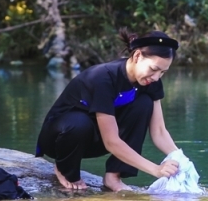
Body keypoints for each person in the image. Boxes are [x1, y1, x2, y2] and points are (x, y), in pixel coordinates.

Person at [35, 29, 183, 192]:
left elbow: (160, 131)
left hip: (95, 139)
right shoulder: (103, 78)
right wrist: (156, 169)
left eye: (163, 72)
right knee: (79, 123)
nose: (156, 77)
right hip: (61, 138)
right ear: (137, 56)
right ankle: (65, 169)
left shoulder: (151, 82)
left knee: (143, 103)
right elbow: (111, 141)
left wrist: (181, 159)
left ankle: (113, 176)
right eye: (154, 69)